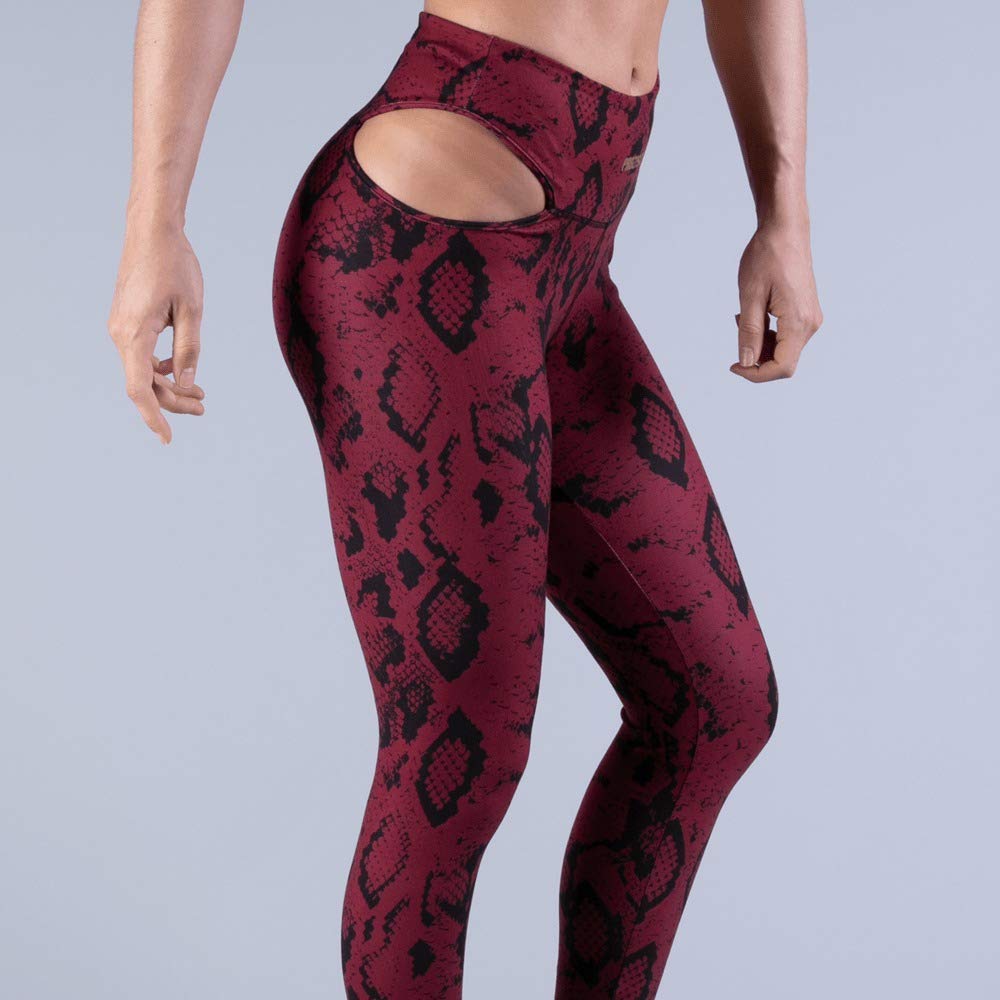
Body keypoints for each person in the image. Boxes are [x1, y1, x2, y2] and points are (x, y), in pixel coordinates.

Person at [108, 1, 822, 995]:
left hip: (572, 260)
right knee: (459, 747)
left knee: (716, 700)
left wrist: (783, 213)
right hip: (414, 247)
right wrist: (154, 226)